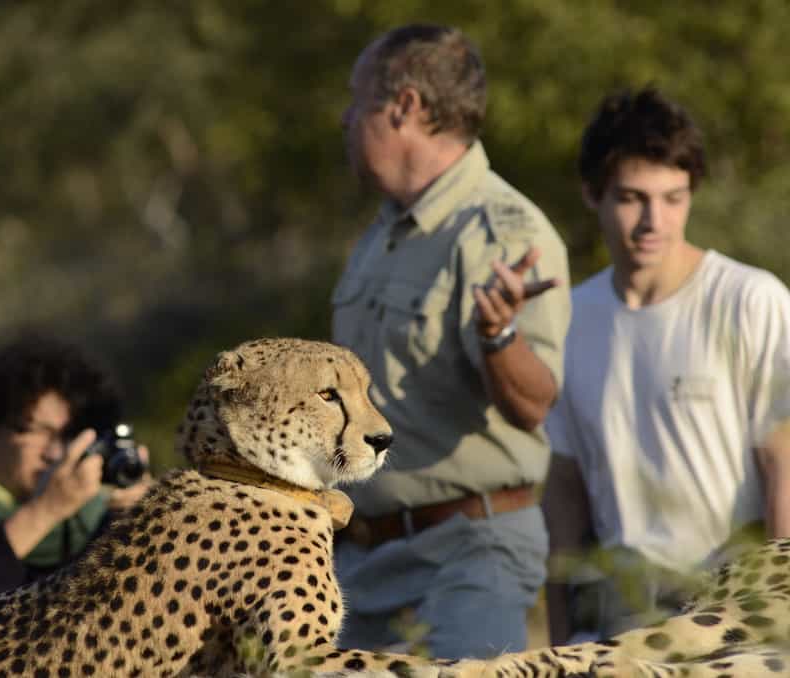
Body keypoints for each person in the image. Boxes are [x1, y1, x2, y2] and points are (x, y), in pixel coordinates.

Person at [331, 24, 571, 658]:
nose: (346, 120)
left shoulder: (502, 229)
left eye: (358, 102)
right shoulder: (382, 235)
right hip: (361, 565)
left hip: (468, 557)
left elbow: (534, 404)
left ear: (404, 107)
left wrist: (502, 336)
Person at [543, 87, 790, 644]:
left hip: (731, 611)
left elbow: (785, 469)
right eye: (633, 198)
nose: (655, 220)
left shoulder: (750, 299)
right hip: (614, 619)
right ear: (592, 194)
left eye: (674, 197)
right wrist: (560, 642)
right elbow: (564, 492)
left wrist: (778, 626)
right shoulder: (567, 318)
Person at [0, 334, 154, 599]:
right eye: (38, 432)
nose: (55, 451)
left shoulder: (99, 516)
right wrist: (47, 509)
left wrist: (144, 522)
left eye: (70, 436)